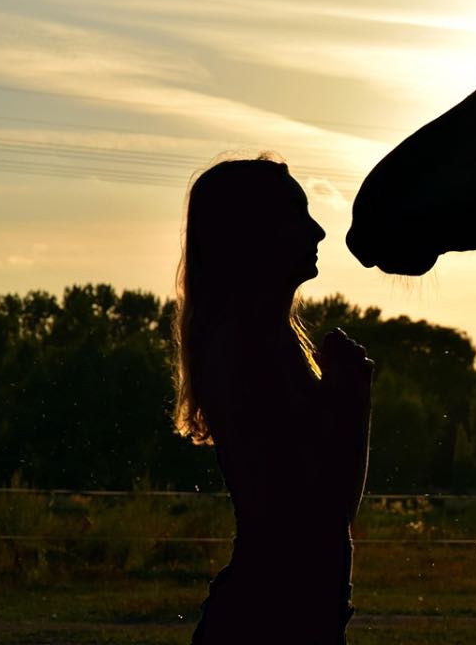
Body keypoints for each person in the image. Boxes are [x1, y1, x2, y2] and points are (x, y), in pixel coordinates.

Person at [172, 155, 373, 644]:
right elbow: (320, 507)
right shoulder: (247, 350)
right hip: (275, 620)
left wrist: (350, 400)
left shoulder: (260, 343)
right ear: (255, 234)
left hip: (289, 613)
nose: (318, 231)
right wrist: (352, 401)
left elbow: (332, 513)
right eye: (298, 215)